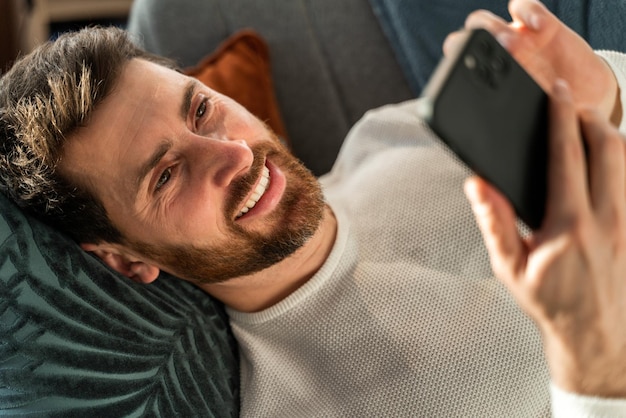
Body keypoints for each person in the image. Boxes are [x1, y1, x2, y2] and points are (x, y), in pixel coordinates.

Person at [0, 0, 625, 416]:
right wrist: (593, 375)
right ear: (123, 258)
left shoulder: (389, 137)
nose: (232, 156)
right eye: (165, 176)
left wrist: (606, 103)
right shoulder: (298, 407)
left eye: (200, 111)